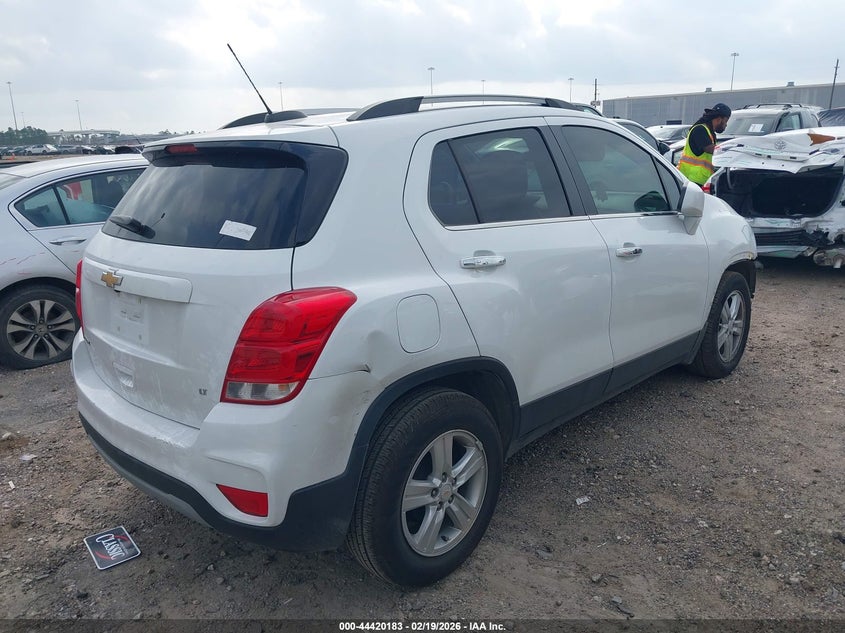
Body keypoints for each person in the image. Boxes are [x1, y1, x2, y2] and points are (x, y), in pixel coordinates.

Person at [677, 103, 731, 186]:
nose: (726, 125)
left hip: (698, 181)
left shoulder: (709, 132)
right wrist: (730, 150)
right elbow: (710, 149)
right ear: (719, 119)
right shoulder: (700, 129)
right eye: (726, 121)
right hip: (690, 180)